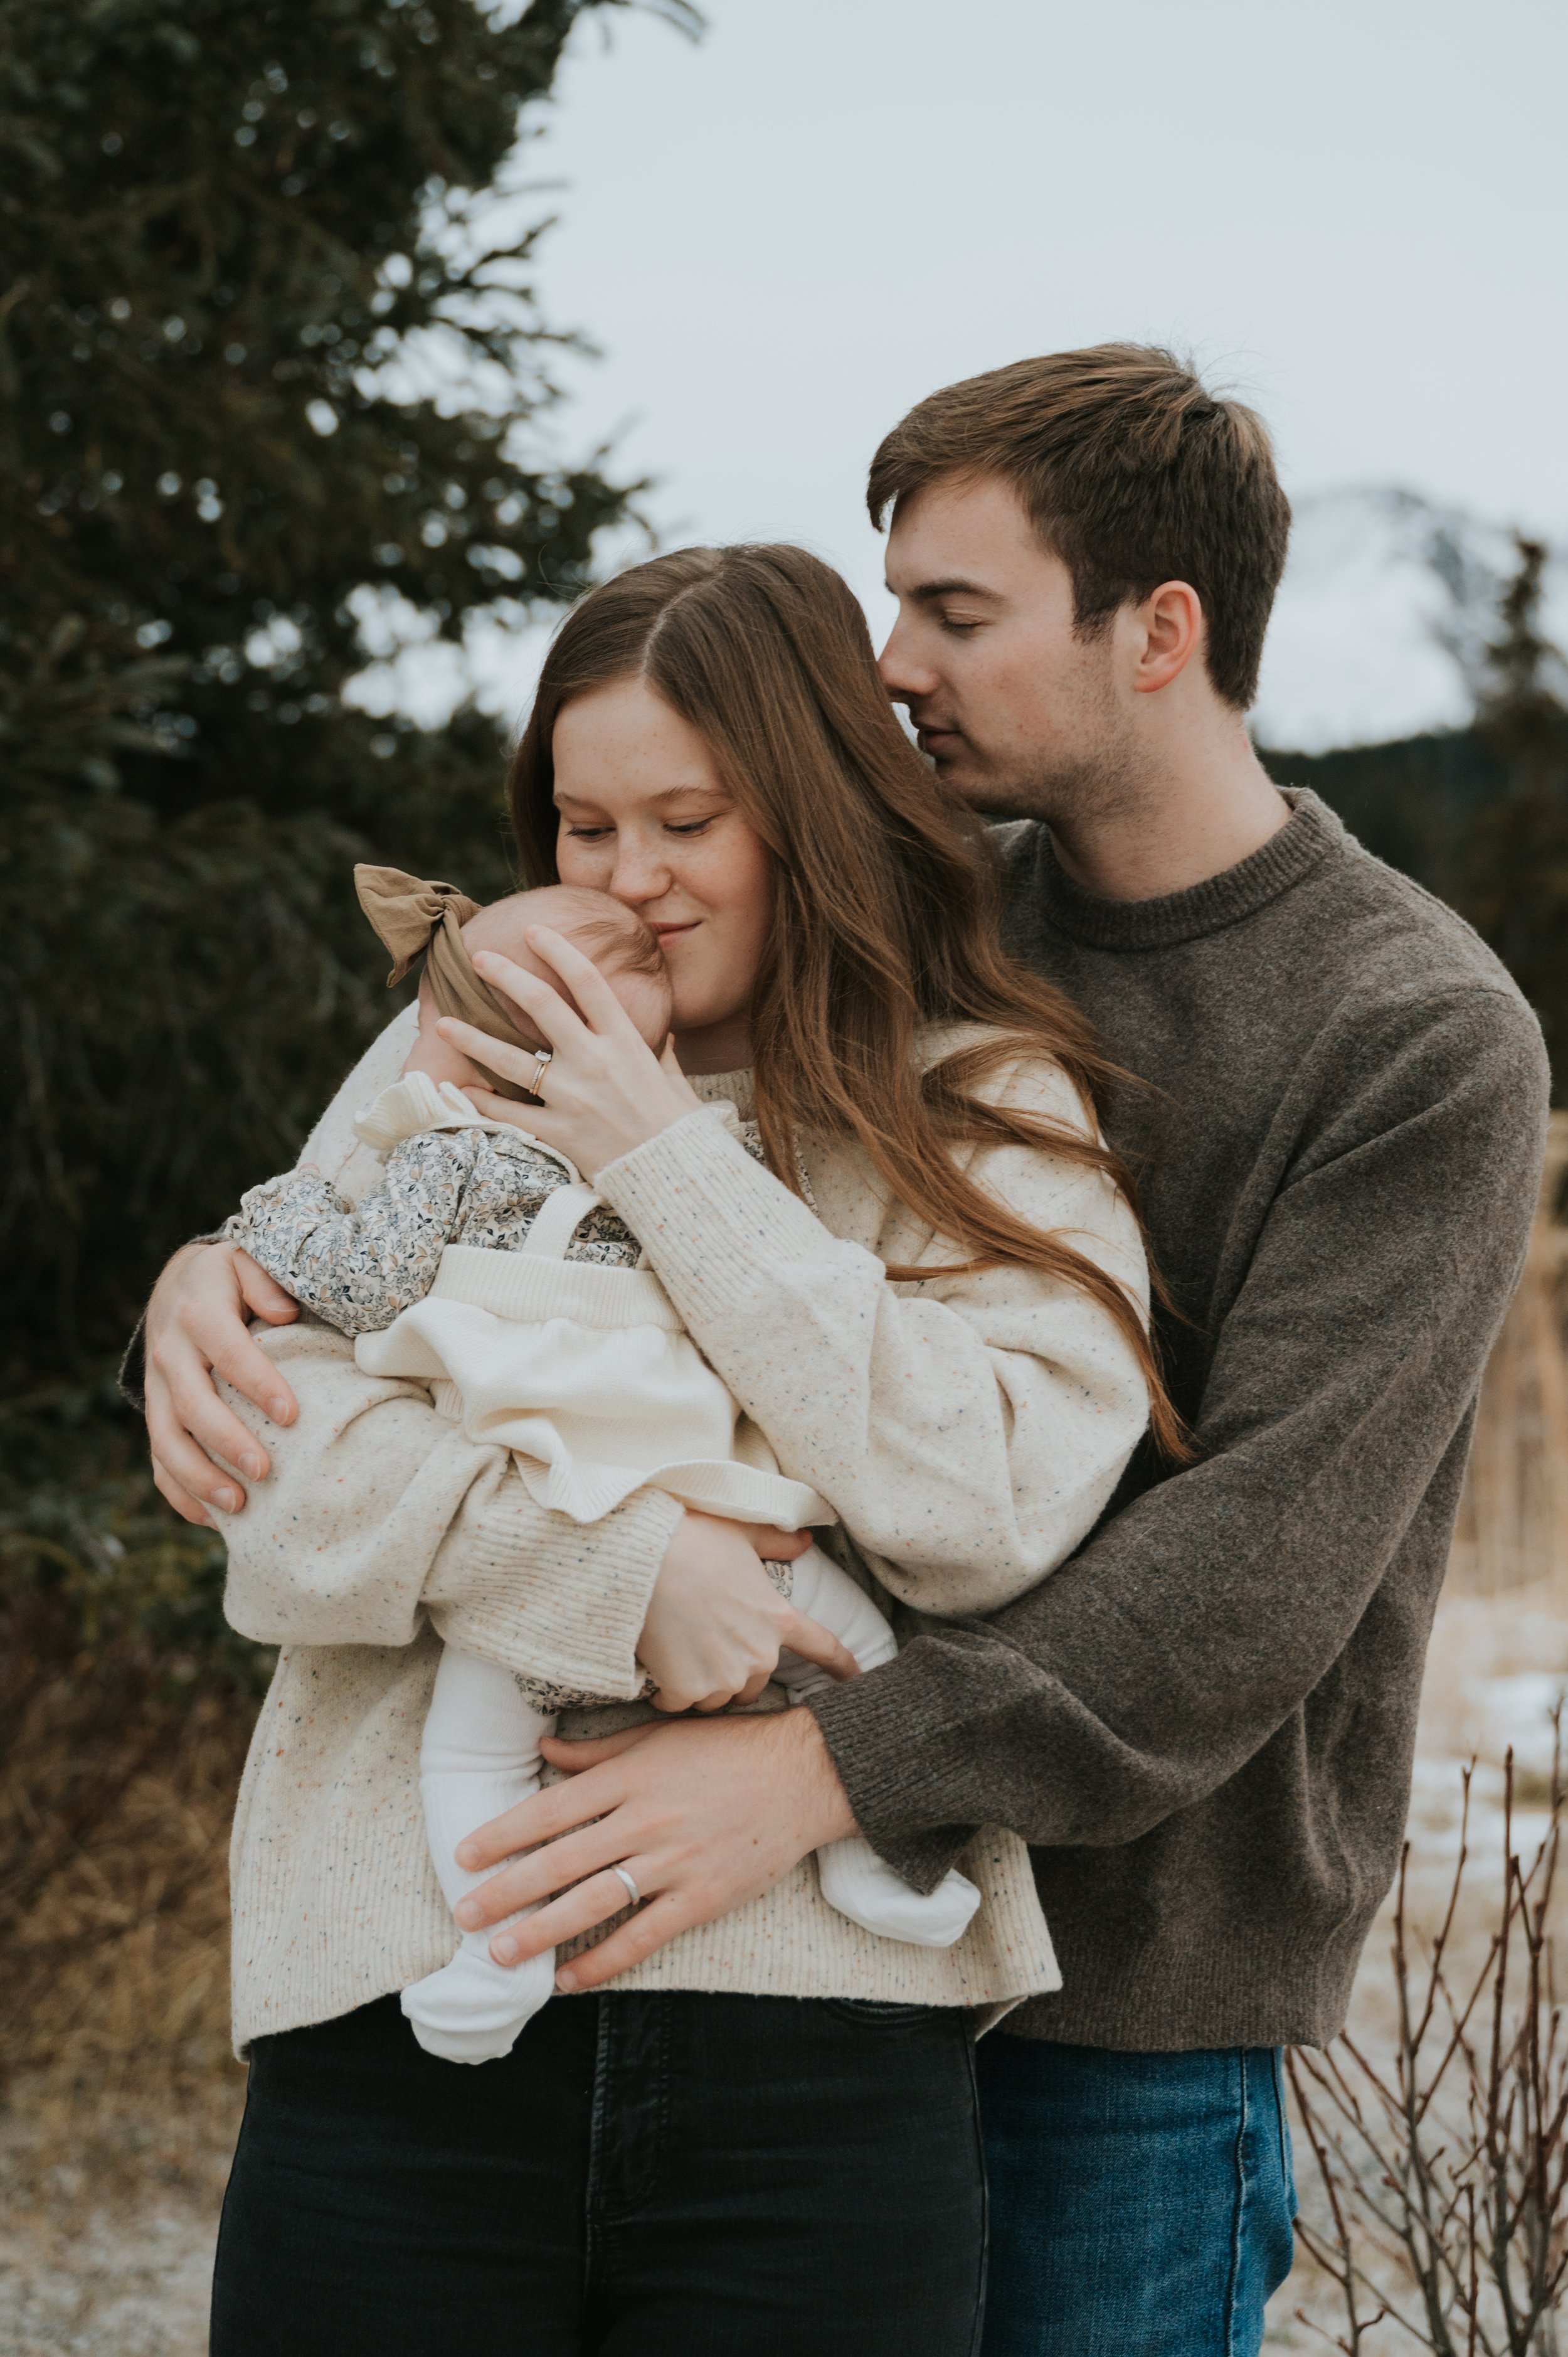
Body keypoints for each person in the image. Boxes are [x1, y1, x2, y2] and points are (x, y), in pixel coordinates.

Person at [140, 541, 1169, 2353]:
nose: (627, 885)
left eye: (686, 823)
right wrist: (611, 1576)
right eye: (581, 824)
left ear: (812, 814)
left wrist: (658, 1153)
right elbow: (276, 1486)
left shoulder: (985, 1097)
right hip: (401, 2008)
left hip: (817, 2061)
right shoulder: (450, 1059)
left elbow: (987, 1505)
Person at [226, 868, 985, 2067]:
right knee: (856, 1664)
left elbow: (355, 1286)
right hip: (735, 1526)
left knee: (475, 1753)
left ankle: (499, 1949)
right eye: (588, 827)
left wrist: (257, 1227)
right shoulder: (698, 1156)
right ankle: (878, 1866)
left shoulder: (448, 1156)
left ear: (467, 1052)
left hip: (550, 1511)